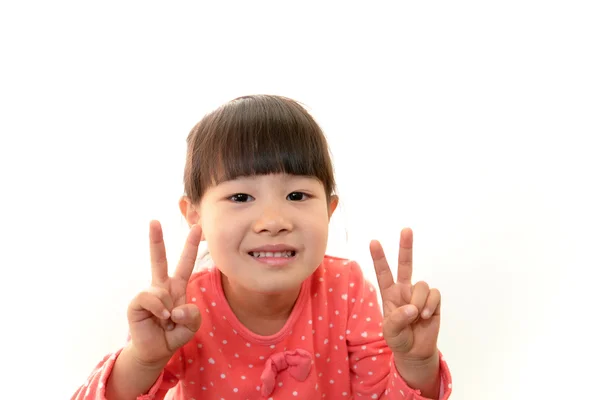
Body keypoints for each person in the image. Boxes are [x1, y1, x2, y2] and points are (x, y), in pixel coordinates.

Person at [71, 95, 453, 400]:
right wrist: (142, 360)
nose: (273, 219)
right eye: (240, 196)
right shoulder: (184, 309)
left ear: (329, 210)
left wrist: (416, 362)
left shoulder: (346, 289)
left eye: (297, 194)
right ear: (194, 216)